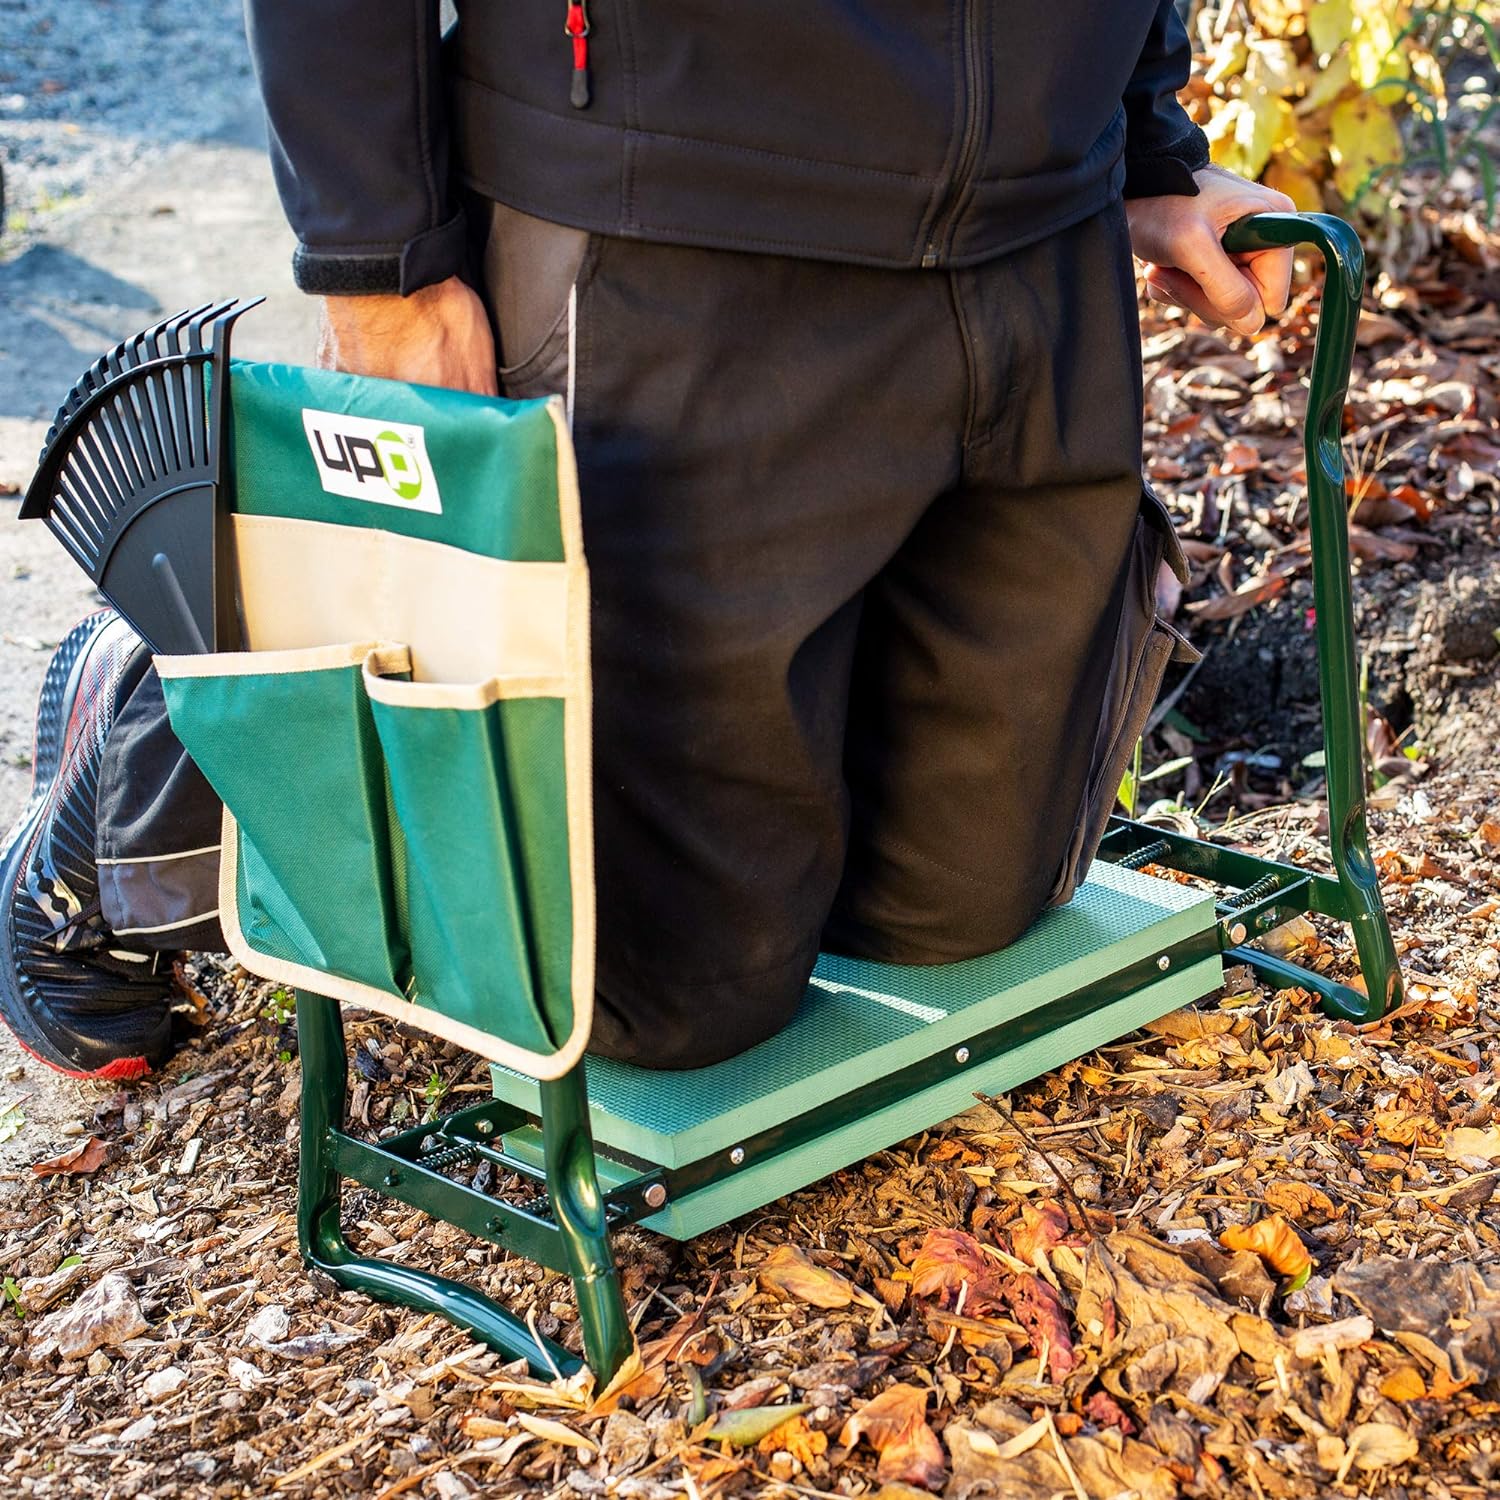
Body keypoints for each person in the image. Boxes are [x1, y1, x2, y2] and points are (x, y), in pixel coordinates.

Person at [1, 2, 1294, 1079]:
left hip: (1033, 233)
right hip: (661, 214)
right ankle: (162, 725)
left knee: (964, 918)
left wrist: (1140, 139)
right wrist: (379, 256)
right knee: (664, 1011)